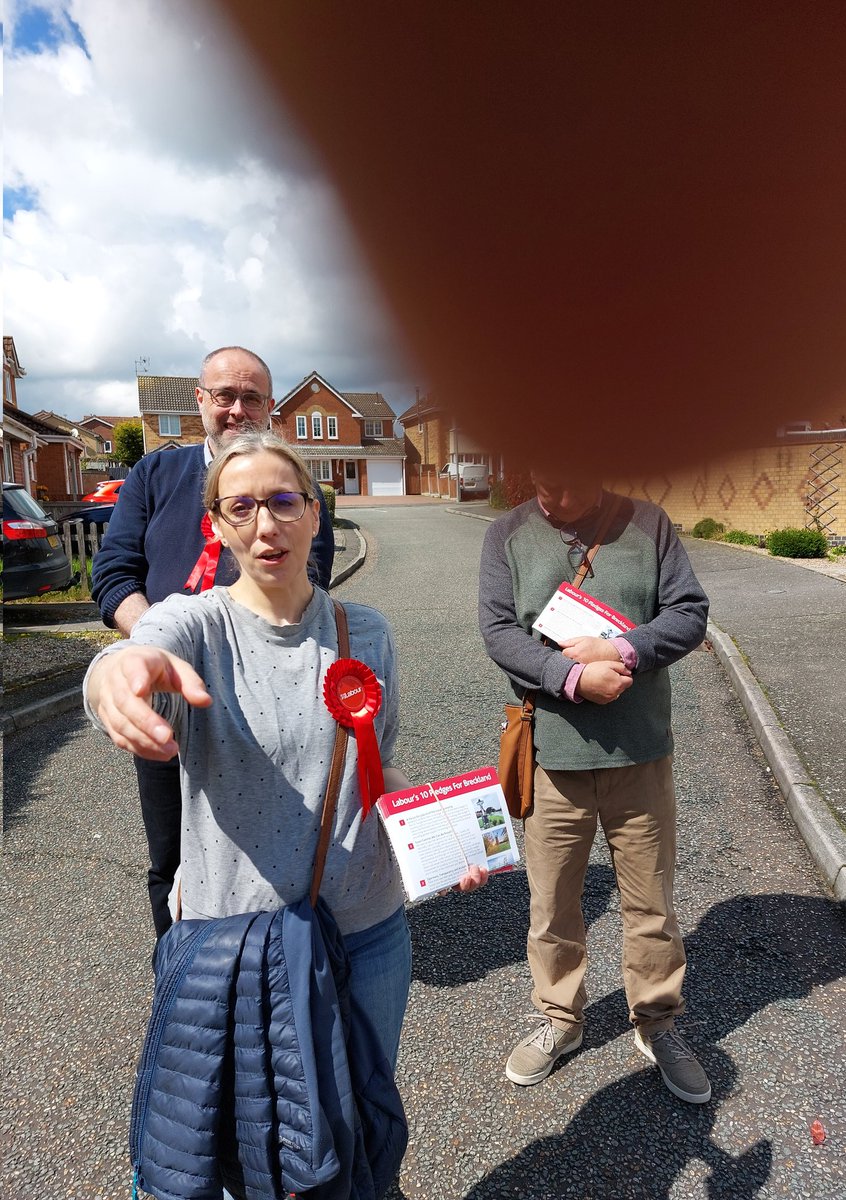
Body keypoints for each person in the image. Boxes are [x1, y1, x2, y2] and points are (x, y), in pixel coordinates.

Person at [86, 431, 486, 1072]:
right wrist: (113, 674)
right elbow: (139, 650)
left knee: (365, 1103)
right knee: (257, 1135)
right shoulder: (196, 626)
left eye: (283, 501)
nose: (265, 524)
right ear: (215, 524)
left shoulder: (368, 632)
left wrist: (437, 837)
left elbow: (376, 767)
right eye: (240, 507)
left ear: (313, 512)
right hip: (239, 936)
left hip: (368, 928)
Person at [478, 468, 712, 1103]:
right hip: (552, 756)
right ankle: (560, 1018)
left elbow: (690, 614)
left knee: (651, 903)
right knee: (552, 904)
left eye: (570, 480)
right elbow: (499, 631)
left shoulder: (650, 525)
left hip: (641, 753)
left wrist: (624, 652)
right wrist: (572, 677)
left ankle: (657, 1021)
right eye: (544, 482)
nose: (554, 496)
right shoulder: (506, 533)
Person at [91, 346, 335, 938]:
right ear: (200, 401)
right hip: (169, 696)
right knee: (171, 852)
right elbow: (115, 572)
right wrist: (159, 650)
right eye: (223, 396)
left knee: (261, 847)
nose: (236, 410)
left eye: (251, 397)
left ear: (270, 408)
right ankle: (179, 984)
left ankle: (278, 969)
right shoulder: (155, 475)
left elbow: (307, 587)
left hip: (262, 700)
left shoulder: (300, 493)